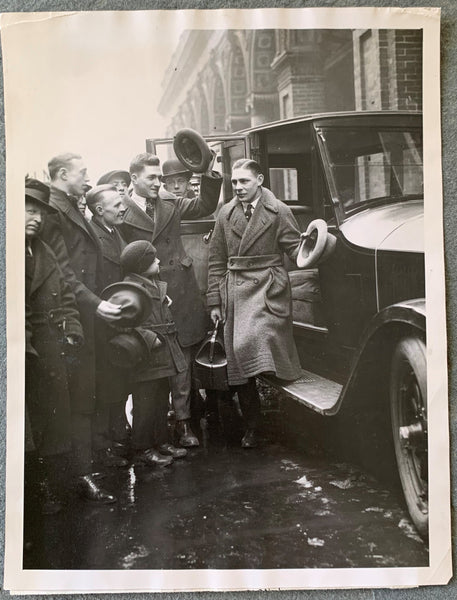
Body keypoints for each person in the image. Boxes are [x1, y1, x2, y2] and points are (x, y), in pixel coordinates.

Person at [118, 152, 222, 447]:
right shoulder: (121, 212)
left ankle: (184, 423)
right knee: (154, 365)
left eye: (158, 178)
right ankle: (153, 433)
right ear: (134, 178)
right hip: (149, 294)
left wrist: (208, 173)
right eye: (151, 178)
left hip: (180, 290)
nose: (157, 183)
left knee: (183, 362)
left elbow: (205, 205)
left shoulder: (171, 205)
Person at [40, 152, 122, 503]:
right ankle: (67, 481)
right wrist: (95, 303)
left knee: (83, 397)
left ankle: (82, 474)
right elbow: (63, 271)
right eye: (82, 172)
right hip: (69, 315)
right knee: (69, 401)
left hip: (82, 311)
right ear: (62, 175)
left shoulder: (68, 205)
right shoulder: (52, 210)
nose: (87, 177)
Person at [207, 158, 303, 448]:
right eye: (234, 182)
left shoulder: (279, 211)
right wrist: (214, 301)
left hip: (268, 288)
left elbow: (296, 249)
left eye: (244, 181)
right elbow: (216, 261)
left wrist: (317, 242)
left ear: (260, 180)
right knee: (238, 354)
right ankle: (253, 425)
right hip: (236, 290)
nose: (238, 187)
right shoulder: (225, 214)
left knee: (250, 342)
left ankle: (289, 417)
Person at [24, 177, 84, 513]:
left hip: (49, 347)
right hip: (22, 351)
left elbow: (65, 296)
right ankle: (33, 491)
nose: (34, 217)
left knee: (52, 418)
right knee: (27, 424)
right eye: (28, 210)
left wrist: (73, 327)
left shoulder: (44, 251)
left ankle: (49, 485)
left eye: (39, 213)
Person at [105, 240, 188, 465]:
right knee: (145, 403)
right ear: (142, 265)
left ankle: (161, 441)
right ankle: (143, 448)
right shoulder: (129, 289)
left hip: (162, 352)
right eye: (153, 259)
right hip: (147, 354)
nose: (159, 261)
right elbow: (123, 322)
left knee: (161, 400)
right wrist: (150, 338)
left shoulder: (151, 282)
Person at [86, 184, 131, 458]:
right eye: (117, 205)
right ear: (100, 210)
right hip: (103, 320)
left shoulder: (114, 232)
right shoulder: (95, 238)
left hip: (119, 316)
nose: (123, 207)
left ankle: (118, 434)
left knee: (119, 379)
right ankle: (105, 445)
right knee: (106, 383)